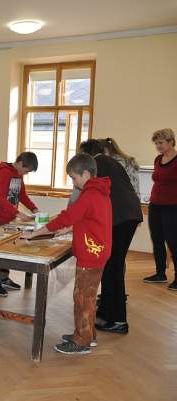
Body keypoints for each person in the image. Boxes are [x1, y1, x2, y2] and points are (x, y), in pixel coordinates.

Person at [24, 153, 112, 355]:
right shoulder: (99, 191)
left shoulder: (90, 194)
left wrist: (35, 233)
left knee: (82, 298)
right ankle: (88, 335)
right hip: (97, 251)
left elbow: (66, 217)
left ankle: (81, 342)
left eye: (74, 177)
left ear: (86, 174)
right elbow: (90, 219)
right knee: (88, 297)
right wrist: (71, 228)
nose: (73, 182)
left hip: (91, 253)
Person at [79, 140, 142, 334]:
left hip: (120, 217)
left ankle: (118, 320)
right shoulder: (111, 161)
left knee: (113, 267)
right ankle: (107, 310)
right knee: (110, 264)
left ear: (87, 154)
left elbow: (91, 196)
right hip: (129, 215)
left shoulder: (96, 163)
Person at [0, 152, 39, 297]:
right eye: (26, 170)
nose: (25, 174)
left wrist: (34, 208)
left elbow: (22, 195)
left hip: (9, 218)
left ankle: (3, 278)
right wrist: (18, 213)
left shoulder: (18, 174)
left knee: (7, 249)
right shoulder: (4, 172)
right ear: (21, 163)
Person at [144, 128, 177, 291]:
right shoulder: (158, 159)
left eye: (161, 143)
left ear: (171, 142)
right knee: (157, 240)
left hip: (172, 206)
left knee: (173, 241)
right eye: (156, 143)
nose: (158, 146)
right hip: (155, 205)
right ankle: (160, 274)